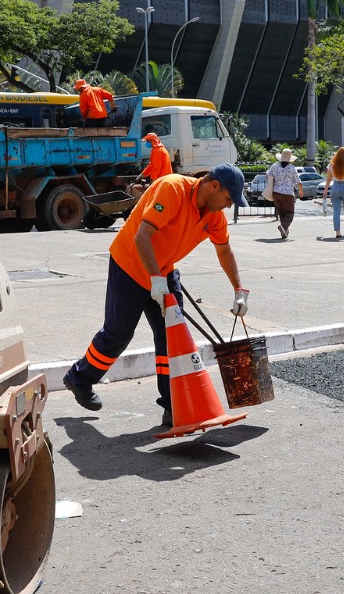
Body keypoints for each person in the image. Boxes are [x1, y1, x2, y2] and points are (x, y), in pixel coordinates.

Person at [61, 164, 251, 429]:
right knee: (118, 333)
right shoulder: (172, 189)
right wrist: (156, 280)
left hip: (163, 270)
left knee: (172, 337)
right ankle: (79, 378)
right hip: (130, 265)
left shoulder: (214, 215)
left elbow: (224, 251)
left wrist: (239, 290)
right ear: (214, 186)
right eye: (229, 199)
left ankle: (173, 406)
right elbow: (142, 236)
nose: (228, 206)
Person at [266, 148, 305, 240]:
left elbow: (268, 176)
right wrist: (301, 190)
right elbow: (298, 181)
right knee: (290, 213)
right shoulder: (291, 168)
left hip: (276, 192)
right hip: (287, 193)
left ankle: (284, 233)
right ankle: (283, 227)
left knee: (282, 213)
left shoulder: (274, 166)